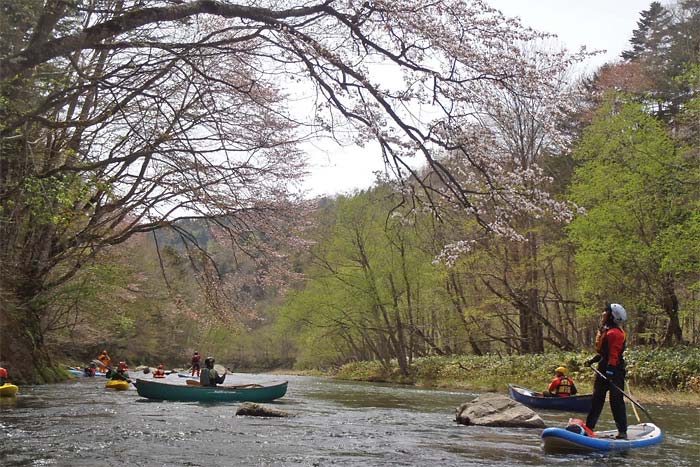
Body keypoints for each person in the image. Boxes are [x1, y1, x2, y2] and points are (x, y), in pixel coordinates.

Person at [585, 303, 628, 439]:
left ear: (612, 316)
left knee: (616, 401)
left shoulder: (615, 333)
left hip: (614, 371)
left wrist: (610, 372)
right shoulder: (606, 331)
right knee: (596, 399)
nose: (602, 315)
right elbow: (605, 353)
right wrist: (593, 360)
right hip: (604, 368)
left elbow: (614, 355)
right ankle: (589, 428)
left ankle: (622, 432)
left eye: (605, 313)